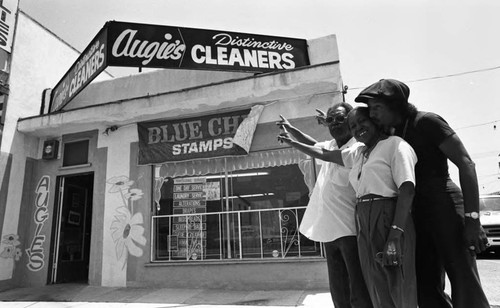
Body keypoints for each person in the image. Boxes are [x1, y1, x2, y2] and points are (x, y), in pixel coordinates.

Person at [355, 78, 490, 308]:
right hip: (416, 213)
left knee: (463, 279)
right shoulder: (389, 135)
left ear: (395, 105)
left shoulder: (427, 122)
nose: (373, 114)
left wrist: (472, 219)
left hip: (444, 205)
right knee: (425, 286)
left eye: (377, 107)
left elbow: (466, 163)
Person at [278, 106, 417, 308]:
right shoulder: (359, 152)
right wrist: (292, 135)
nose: (357, 128)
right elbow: (321, 150)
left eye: (342, 119)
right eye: (330, 120)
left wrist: (395, 232)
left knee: (383, 283)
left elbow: (407, 189)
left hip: (357, 224)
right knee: (359, 285)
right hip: (341, 226)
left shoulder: (387, 145)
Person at [276, 102, 373, 308]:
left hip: (350, 228)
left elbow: (318, 152)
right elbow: (314, 144)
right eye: (330, 120)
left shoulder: (356, 149)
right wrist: (292, 129)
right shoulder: (330, 145)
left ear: (350, 121)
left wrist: (292, 141)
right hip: (329, 228)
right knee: (338, 287)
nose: (335, 124)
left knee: (357, 285)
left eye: (340, 119)